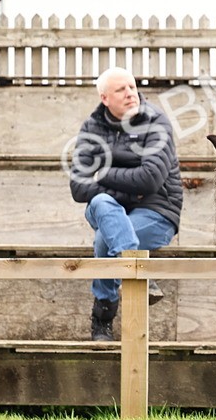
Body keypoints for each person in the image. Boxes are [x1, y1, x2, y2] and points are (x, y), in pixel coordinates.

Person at [69, 67, 183, 340]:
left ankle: (102, 318)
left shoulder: (156, 122)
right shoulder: (91, 128)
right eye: (121, 90)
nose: (131, 93)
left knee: (104, 240)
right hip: (110, 211)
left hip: (157, 213)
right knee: (101, 202)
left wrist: (105, 174)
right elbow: (78, 187)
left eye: (132, 87)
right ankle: (135, 268)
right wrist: (129, 189)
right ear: (105, 98)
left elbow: (150, 180)